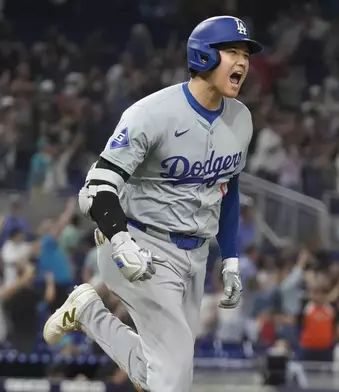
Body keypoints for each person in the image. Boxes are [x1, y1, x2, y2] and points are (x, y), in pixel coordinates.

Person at [43, 16, 261, 392]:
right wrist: (120, 240)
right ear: (204, 56)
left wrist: (230, 259)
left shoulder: (241, 120)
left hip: (195, 257)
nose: (242, 62)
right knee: (173, 380)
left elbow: (230, 189)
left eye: (245, 54)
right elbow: (99, 184)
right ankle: (90, 308)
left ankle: (89, 311)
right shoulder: (152, 113)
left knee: (158, 372)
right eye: (231, 52)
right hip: (141, 244)